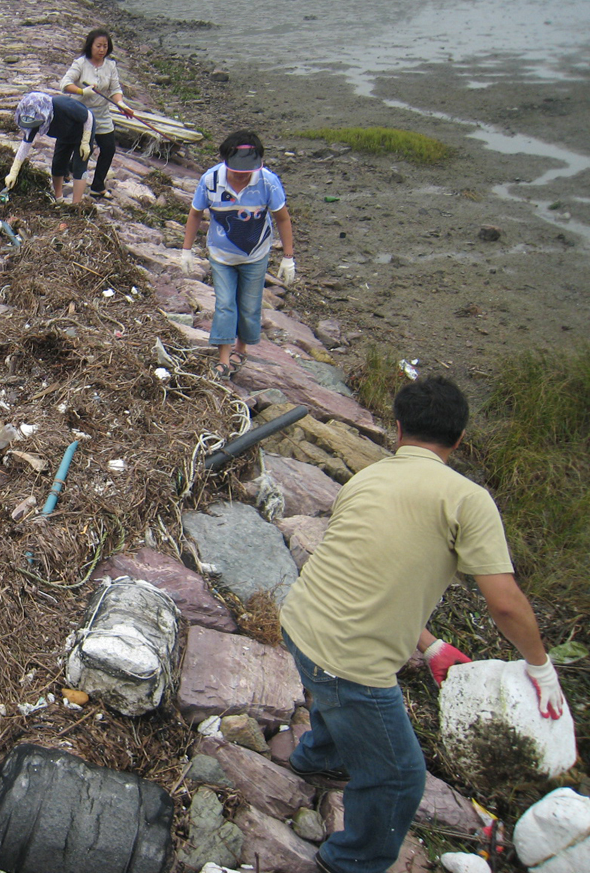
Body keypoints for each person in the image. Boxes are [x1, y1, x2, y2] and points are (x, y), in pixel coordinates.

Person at [279, 376, 566, 873]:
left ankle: (318, 758)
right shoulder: (468, 499)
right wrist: (540, 667)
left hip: (300, 622)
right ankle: (353, 860)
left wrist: (430, 645)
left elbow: (364, 573)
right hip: (349, 660)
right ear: (458, 439)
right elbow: (505, 604)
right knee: (401, 777)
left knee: (332, 693)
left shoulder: (366, 478)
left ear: (397, 429)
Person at [181, 131, 295, 380]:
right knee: (224, 304)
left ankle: (240, 349)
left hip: (256, 254)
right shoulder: (210, 180)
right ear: (225, 161)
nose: (243, 175)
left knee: (248, 305)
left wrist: (288, 256)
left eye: (248, 170)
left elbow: (282, 218)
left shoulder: (268, 182)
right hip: (221, 255)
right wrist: (186, 250)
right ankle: (223, 357)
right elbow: (195, 214)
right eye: (237, 169)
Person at [60, 28, 135, 199]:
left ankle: (98, 186)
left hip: (102, 114)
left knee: (108, 148)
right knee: (83, 147)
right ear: (90, 46)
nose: (102, 50)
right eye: (98, 46)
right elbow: (64, 84)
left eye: (105, 46)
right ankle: (67, 171)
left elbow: (115, 88)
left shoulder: (110, 66)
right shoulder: (80, 63)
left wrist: (121, 104)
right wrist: (82, 91)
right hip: (81, 113)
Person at [4, 91, 94, 205]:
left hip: (83, 130)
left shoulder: (63, 106)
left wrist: (85, 141)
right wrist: (13, 173)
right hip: (64, 134)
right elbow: (25, 145)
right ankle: (58, 199)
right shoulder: (33, 119)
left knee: (79, 165)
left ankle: (76, 204)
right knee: (58, 163)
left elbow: (88, 116)